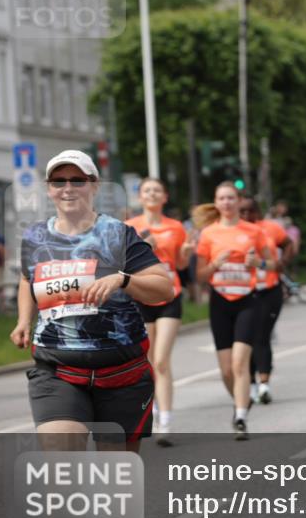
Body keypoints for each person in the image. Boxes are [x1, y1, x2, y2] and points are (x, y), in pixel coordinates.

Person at [9, 150, 173, 518]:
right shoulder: (34, 238)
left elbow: (163, 288)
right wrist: (25, 320)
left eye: (77, 180)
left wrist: (123, 279)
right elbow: (29, 278)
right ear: (49, 189)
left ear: (93, 186)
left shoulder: (119, 235)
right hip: (58, 369)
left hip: (122, 371)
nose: (67, 188)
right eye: (58, 180)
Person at [193, 182, 274, 440]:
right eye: (222, 198)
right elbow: (199, 276)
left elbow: (273, 263)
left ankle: (240, 416)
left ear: (239, 202)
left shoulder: (253, 231)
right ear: (216, 203)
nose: (227, 203)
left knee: (240, 363)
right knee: (226, 370)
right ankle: (241, 399)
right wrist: (215, 263)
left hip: (247, 301)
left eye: (231, 198)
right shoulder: (208, 234)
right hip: (220, 301)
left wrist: (257, 262)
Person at [125, 178, 194, 447]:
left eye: (156, 190)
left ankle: (166, 421)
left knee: (162, 360)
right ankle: (151, 410)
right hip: (141, 295)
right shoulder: (130, 227)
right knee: (148, 360)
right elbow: (122, 263)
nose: (152, 194)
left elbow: (180, 264)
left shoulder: (175, 227)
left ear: (164, 197)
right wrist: (143, 246)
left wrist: (186, 254)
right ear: (140, 197)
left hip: (169, 295)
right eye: (146, 190)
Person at [240, 196, 292, 404]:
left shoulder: (269, 228)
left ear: (256, 212)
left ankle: (264, 383)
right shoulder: (233, 230)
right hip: (244, 292)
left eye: (248, 211)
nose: (245, 216)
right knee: (247, 339)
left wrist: (283, 262)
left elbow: (288, 244)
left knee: (262, 336)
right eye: (241, 211)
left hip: (269, 289)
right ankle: (250, 383)